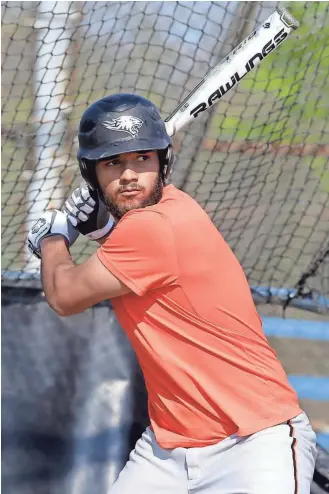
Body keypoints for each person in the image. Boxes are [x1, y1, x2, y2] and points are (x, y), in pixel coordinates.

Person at [28, 93, 317, 493]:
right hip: (168, 449)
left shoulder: (157, 225)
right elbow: (138, 268)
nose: (129, 174)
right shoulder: (157, 220)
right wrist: (97, 230)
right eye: (113, 162)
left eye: (141, 159)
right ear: (92, 172)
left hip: (251, 442)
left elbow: (63, 296)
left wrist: (53, 236)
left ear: (162, 162)